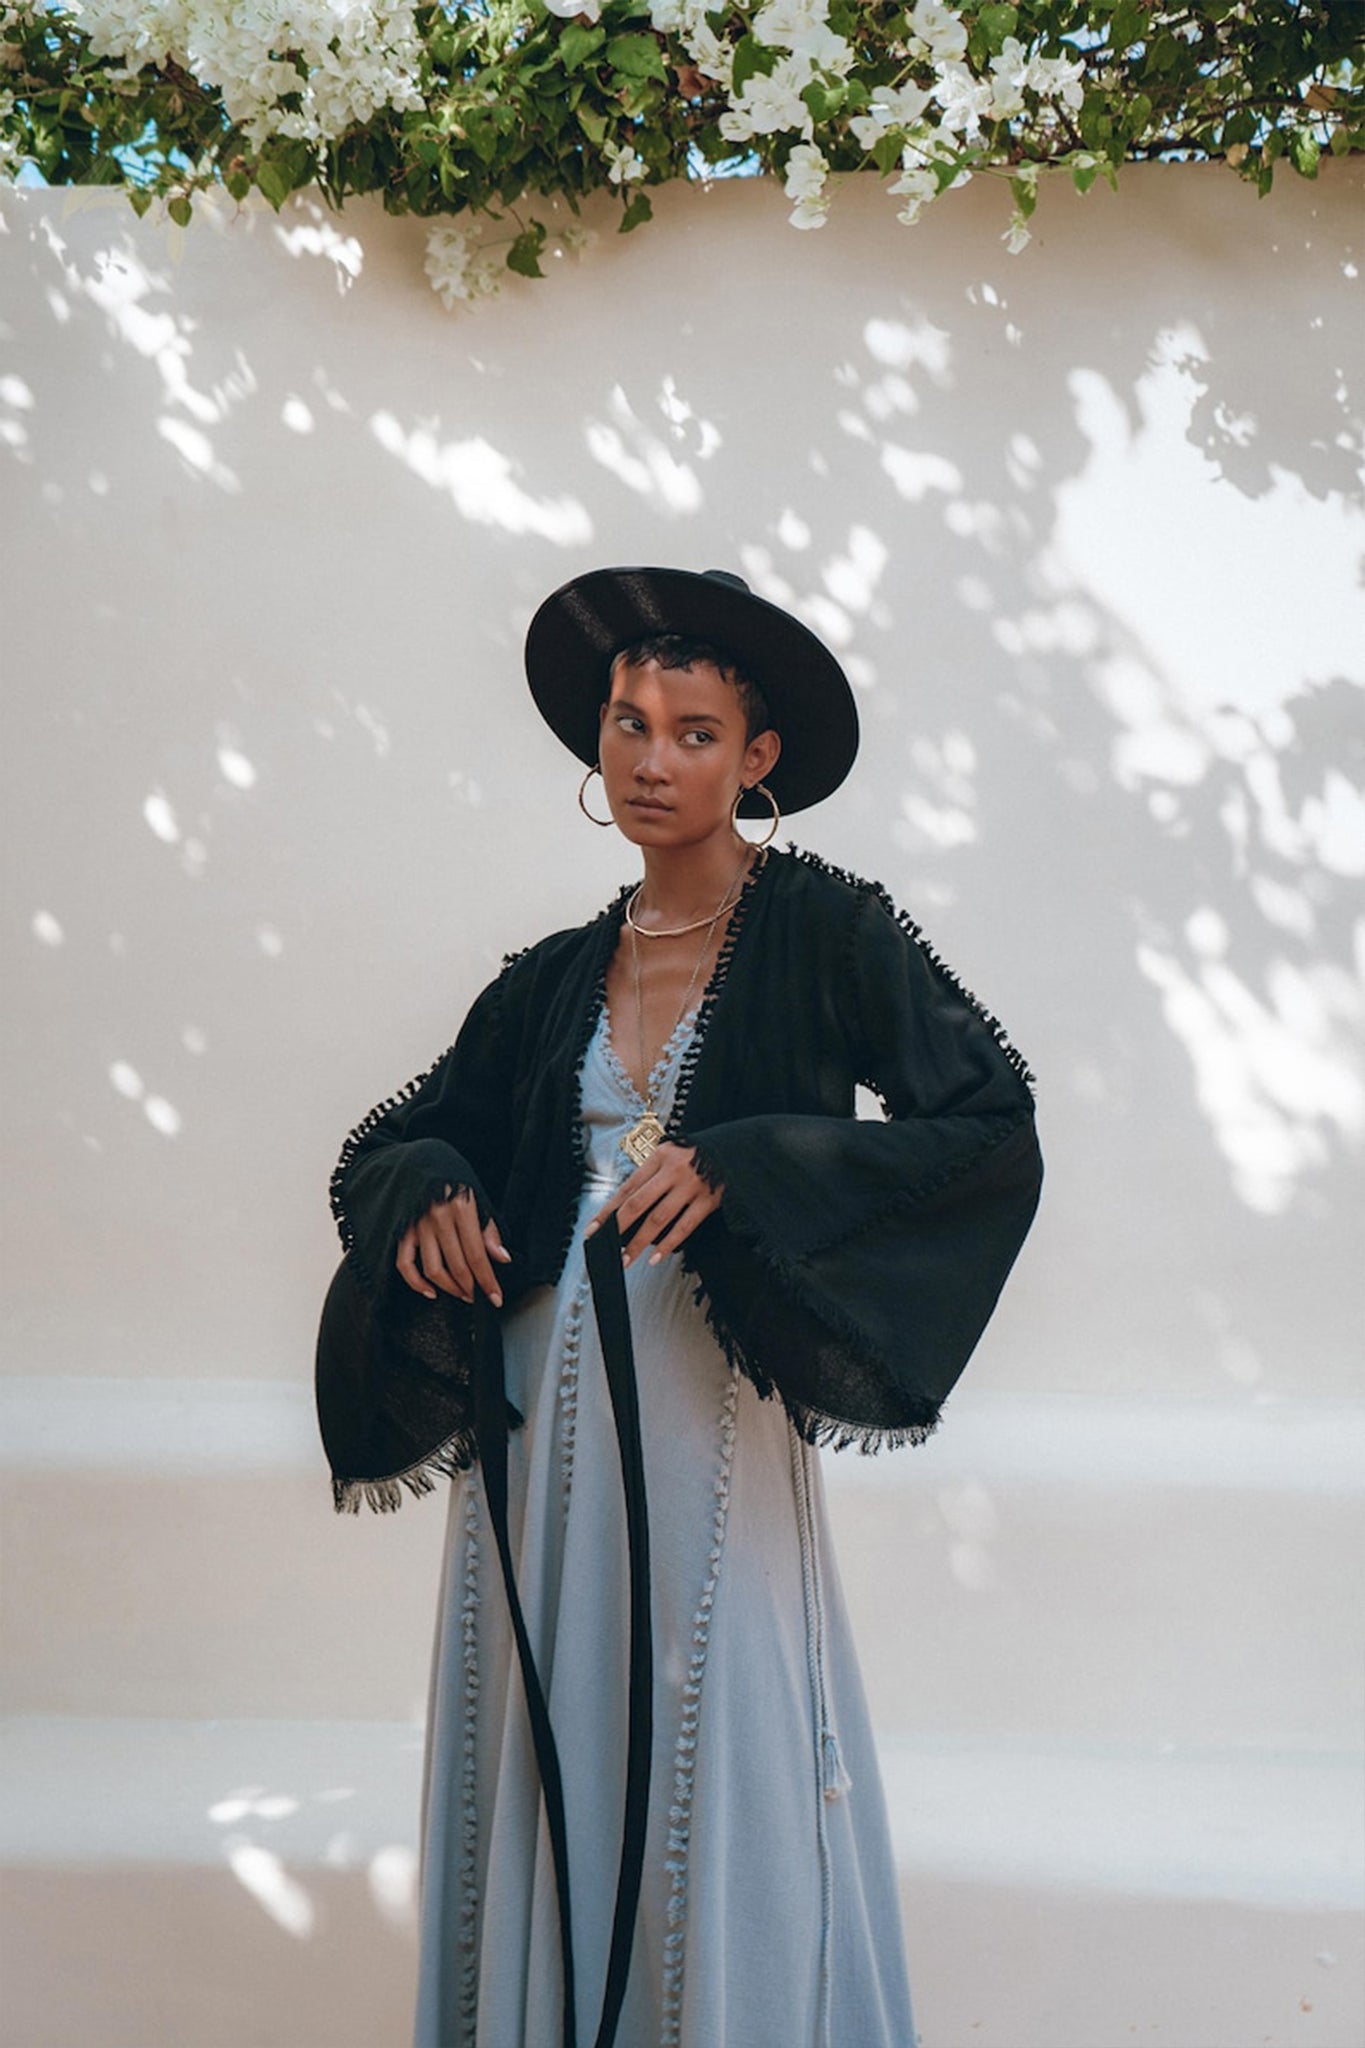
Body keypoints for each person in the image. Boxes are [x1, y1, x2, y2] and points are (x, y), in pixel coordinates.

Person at [315, 565, 1043, 2048]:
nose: (651, 762)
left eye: (694, 732)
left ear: (757, 759)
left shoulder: (827, 933)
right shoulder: (551, 978)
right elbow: (391, 1146)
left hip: (703, 1409)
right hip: (530, 1430)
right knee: (549, 1734)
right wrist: (436, 1186)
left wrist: (749, 1165)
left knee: (723, 1722)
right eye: (628, 726)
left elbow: (982, 1124)